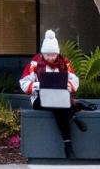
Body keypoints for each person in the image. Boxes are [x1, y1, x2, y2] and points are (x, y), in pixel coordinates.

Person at [19, 30, 87, 159]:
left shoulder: (64, 63)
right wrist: (39, 85)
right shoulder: (34, 64)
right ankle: (72, 117)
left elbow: (75, 82)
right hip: (39, 99)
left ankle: (68, 146)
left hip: (59, 99)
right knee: (57, 104)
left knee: (57, 106)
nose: (50, 57)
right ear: (43, 53)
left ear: (57, 53)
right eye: (47, 55)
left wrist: (65, 85)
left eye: (53, 55)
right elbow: (23, 84)